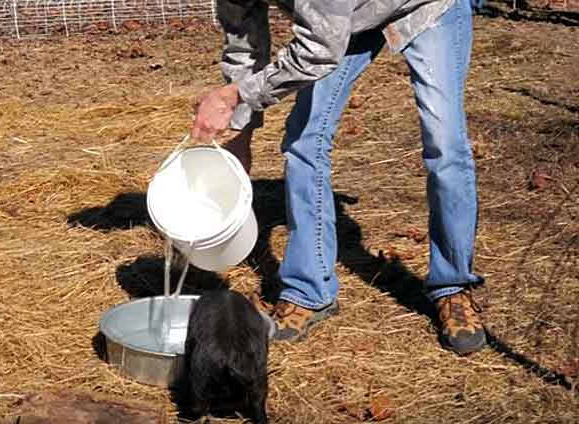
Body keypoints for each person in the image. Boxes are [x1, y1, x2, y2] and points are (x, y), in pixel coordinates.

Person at [191, 0, 487, 356]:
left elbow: (317, 52)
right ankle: (309, 289)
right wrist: (241, 132)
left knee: (445, 145)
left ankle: (453, 285)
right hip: (344, 19)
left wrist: (235, 95)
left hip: (426, 7)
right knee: (304, 140)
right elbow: (244, 40)